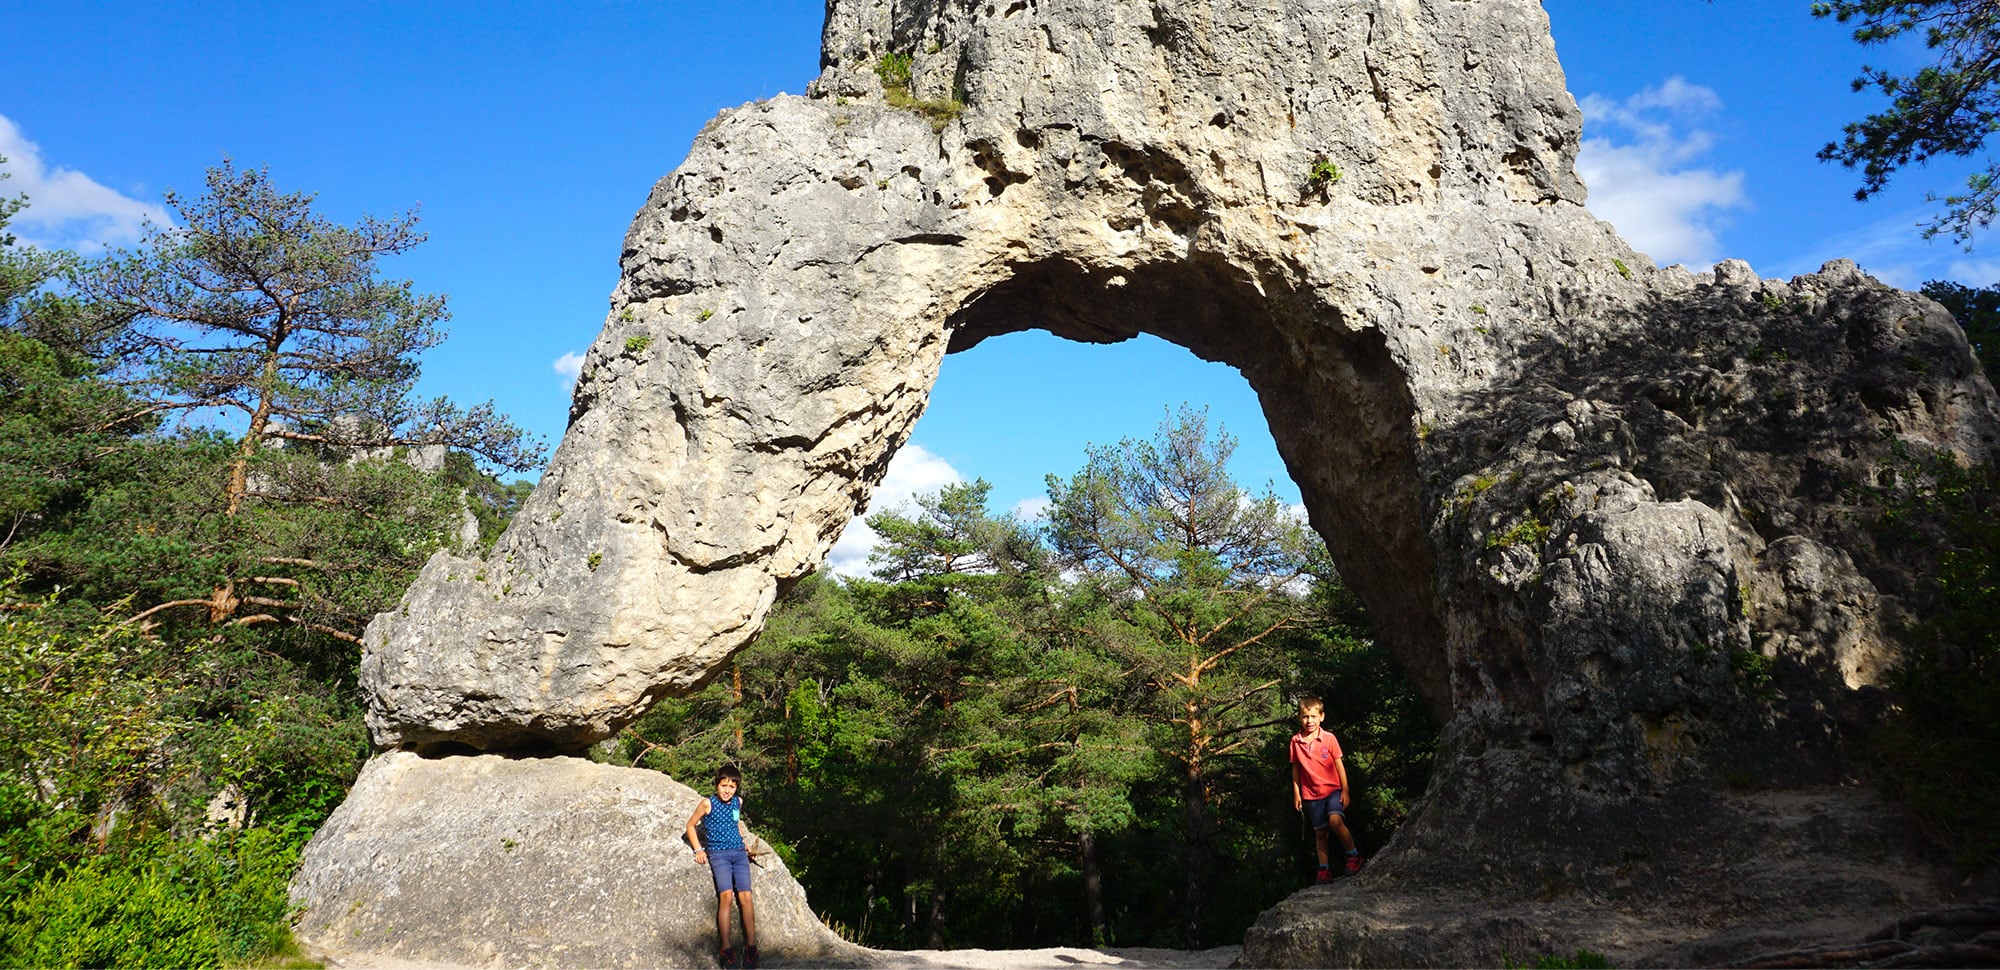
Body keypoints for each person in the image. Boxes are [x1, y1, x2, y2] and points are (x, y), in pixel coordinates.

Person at [687, 766, 762, 969]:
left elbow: (735, 823)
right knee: (726, 896)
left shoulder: (738, 802)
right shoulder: (707, 804)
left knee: (746, 896)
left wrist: (743, 841)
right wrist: (698, 850)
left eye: (732, 786)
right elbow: (690, 825)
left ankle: (751, 947)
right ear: (717, 785)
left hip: (738, 853)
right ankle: (726, 948)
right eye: (724, 786)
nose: (727, 790)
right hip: (719, 855)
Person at [1289, 696, 1361, 882]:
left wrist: (1345, 790)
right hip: (1312, 794)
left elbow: (1339, 765)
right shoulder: (1296, 741)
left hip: (1333, 790)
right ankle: (1324, 869)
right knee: (1320, 833)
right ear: (1299, 718)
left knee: (1335, 821)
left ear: (1322, 717)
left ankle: (1353, 855)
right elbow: (1296, 767)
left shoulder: (1329, 739)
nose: (1309, 721)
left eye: (1313, 716)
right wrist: (1296, 793)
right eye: (1305, 717)